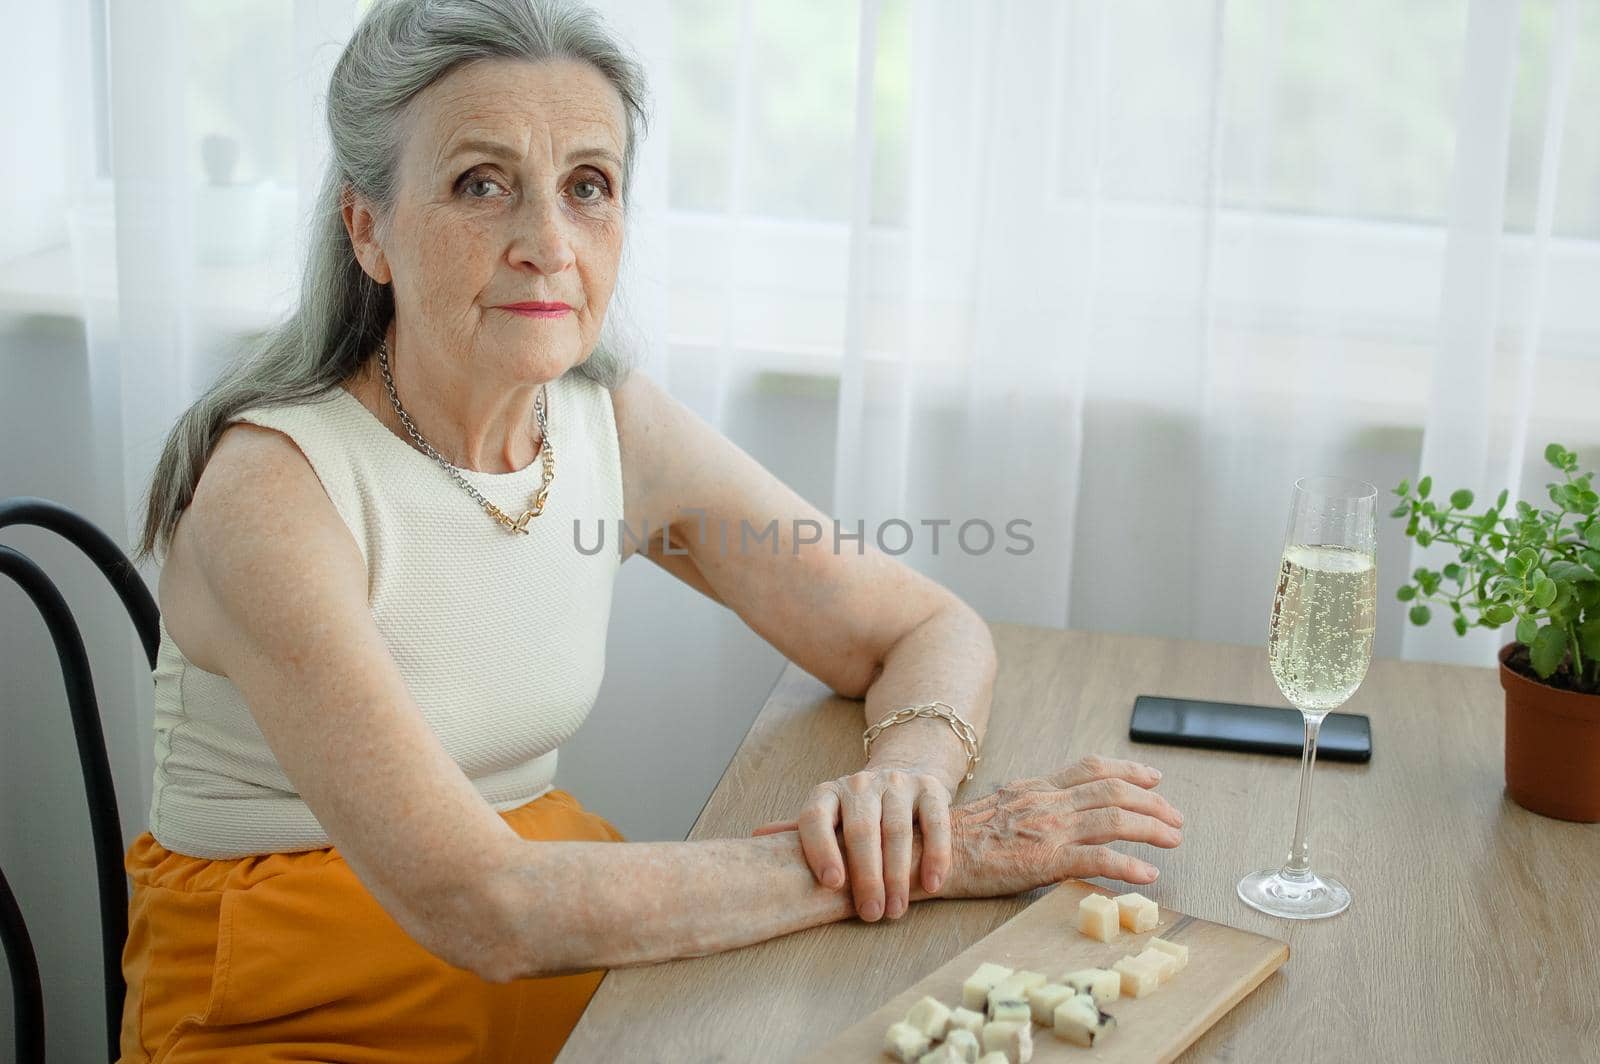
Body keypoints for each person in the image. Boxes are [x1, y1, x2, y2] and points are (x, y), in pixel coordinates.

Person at [119, 1, 1185, 1060]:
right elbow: (476, 903)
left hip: (549, 955)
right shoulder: (272, 488)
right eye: (480, 184)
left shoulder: (604, 417)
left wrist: (900, 791)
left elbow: (918, 625)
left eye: (588, 187)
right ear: (369, 228)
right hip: (299, 995)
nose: (547, 244)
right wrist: (934, 855)